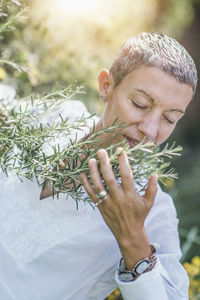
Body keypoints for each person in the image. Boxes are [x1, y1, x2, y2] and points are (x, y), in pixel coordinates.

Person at [0, 32, 197, 300]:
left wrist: (133, 240)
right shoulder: (54, 117)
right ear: (106, 85)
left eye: (170, 118)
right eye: (140, 104)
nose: (150, 130)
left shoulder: (154, 212)